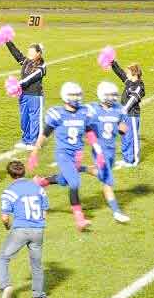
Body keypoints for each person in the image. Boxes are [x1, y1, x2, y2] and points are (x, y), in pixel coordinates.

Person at [30, 82, 105, 231]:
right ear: (65, 96)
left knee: (64, 180)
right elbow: (45, 134)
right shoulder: (58, 114)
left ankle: (40, 182)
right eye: (73, 95)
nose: (76, 98)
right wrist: (34, 152)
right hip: (63, 154)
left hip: (77, 154)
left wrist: (98, 151)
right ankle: (79, 219)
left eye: (78, 95)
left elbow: (90, 133)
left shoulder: (84, 112)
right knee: (74, 182)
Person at [0, 159, 49, 298]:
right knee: (36, 263)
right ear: (24, 171)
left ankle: (5, 285)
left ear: (10, 175)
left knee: (3, 258)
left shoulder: (9, 191)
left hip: (20, 230)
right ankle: (39, 296)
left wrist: (7, 227)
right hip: (38, 230)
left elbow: (5, 217)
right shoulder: (38, 188)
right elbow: (44, 211)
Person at [83, 82, 131, 222]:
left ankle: (81, 168)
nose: (114, 97)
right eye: (111, 95)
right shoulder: (92, 109)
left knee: (103, 175)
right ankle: (116, 212)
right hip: (99, 150)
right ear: (102, 95)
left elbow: (123, 127)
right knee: (107, 181)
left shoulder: (119, 109)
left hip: (111, 149)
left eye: (114, 94)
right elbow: (84, 126)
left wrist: (122, 128)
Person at [4, 39, 46, 149]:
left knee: (34, 119)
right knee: (24, 119)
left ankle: (34, 142)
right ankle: (26, 140)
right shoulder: (26, 62)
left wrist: (17, 85)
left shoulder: (42, 66)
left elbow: (30, 78)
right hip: (24, 95)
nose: (30, 54)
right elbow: (17, 55)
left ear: (38, 53)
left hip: (35, 96)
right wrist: (8, 41)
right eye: (29, 52)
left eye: (32, 52)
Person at [109, 59, 144, 167]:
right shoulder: (130, 82)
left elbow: (133, 98)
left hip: (132, 115)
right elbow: (121, 74)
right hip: (125, 115)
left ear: (134, 74)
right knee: (125, 136)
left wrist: (124, 109)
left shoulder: (139, 86)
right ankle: (127, 159)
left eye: (128, 72)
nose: (126, 74)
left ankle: (134, 160)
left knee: (132, 138)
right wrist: (113, 63)